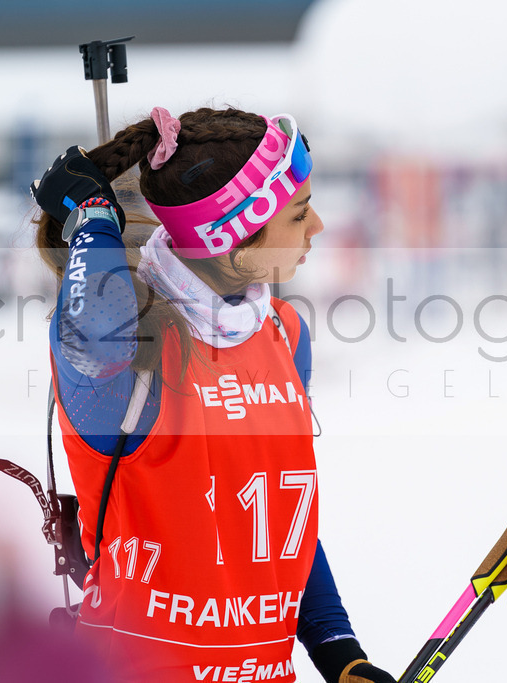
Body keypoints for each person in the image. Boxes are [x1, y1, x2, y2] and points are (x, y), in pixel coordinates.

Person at [30, 106, 393, 683]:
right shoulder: (132, 347)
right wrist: (94, 219)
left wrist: (338, 651)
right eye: (298, 213)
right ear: (232, 234)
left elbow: (277, 527)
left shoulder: (282, 331)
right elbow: (94, 337)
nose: (318, 226)